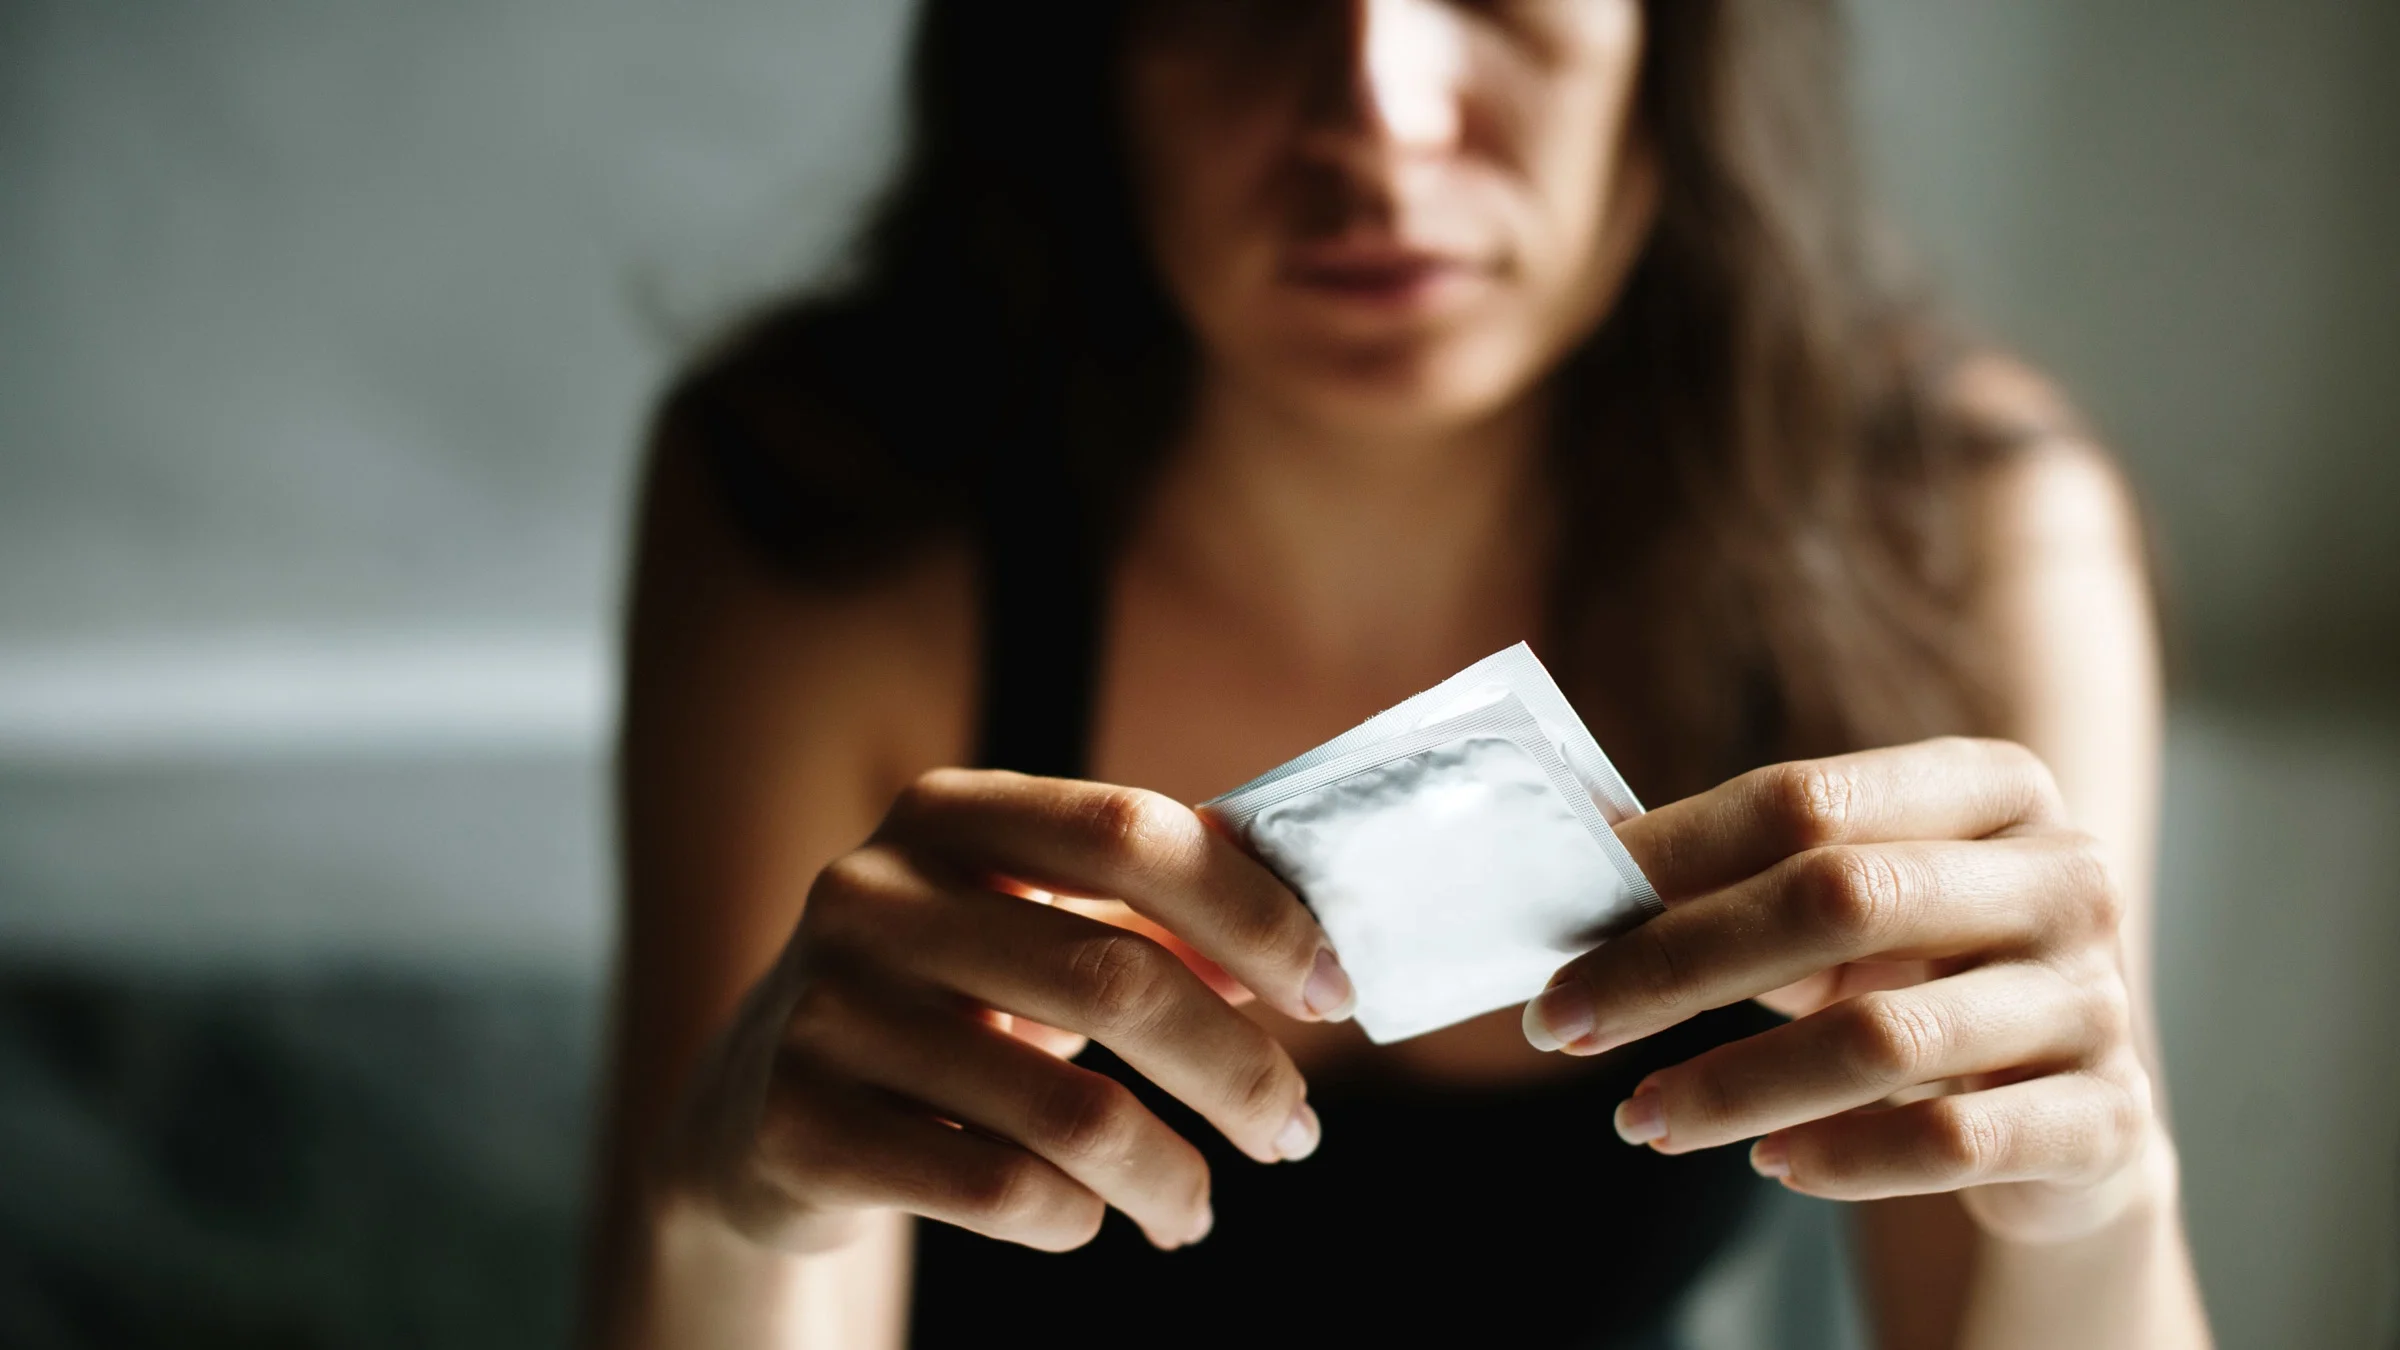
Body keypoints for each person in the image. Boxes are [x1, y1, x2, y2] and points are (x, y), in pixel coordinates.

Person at [585, 1, 2212, 1345]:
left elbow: (2014, 1243)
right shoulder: (821, 503)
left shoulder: (1954, 523)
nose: (1382, 115)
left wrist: (2105, 1200)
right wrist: (724, 1205)